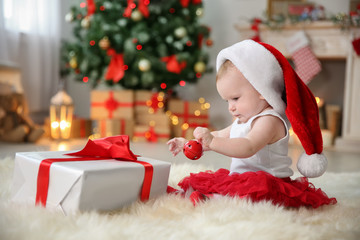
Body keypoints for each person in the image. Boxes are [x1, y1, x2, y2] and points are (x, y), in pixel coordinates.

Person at [167, 39, 337, 208]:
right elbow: (217, 136)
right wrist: (187, 144)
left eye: (235, 98)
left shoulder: (270, 120)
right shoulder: (241, 121)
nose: (231, 108)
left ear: (262, 90)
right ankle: (196, 195)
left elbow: (248, 146)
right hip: (242, 179)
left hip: (268, 184)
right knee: (217, 185)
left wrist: (212, 142)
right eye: (227, 101)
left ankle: (212, 200)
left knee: (245, 198)